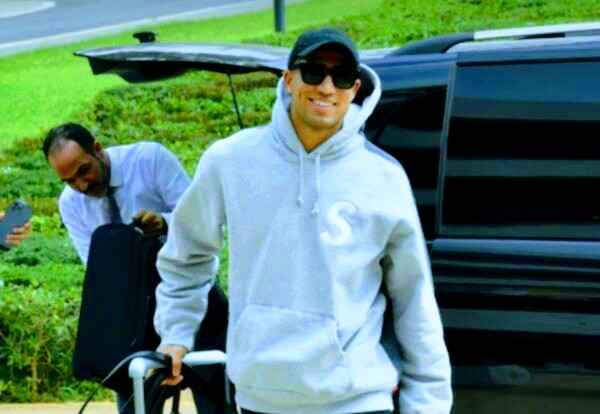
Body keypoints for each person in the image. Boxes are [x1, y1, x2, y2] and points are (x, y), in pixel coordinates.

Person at [155, 28, 453, 414]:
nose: (326, 87)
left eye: (341, 77)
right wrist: (176, 332)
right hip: (263, 398)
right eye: (313, 72)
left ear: (354, 89)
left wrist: (428, 403)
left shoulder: (383, 178)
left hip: (358, 400)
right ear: (289, 78)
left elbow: (413, 297)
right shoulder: (229, 161)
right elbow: (187, 253)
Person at [42, 122, 228, 414]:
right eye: (69, 181)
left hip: (192, 293)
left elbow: (200, 222)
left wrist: (165, 223)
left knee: (214, 394)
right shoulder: (70, 203)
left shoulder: (149, 160)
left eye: (83, 171)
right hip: (132, 312)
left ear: (98, 149)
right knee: (134, 400)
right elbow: (97, 268)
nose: (81, 185)